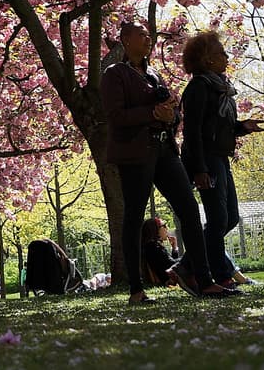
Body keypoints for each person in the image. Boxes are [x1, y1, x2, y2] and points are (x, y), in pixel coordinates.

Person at [101, 21, 236, 304]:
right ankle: (136, 289)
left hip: (165, 150)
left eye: (149, 35)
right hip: (136, 153)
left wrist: (170, 114)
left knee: (189, 209)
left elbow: (172, 115)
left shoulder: (153, 74)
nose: (148, 38)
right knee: (135, 216)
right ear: (125, 39)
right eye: (142, 34)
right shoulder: (115, 74)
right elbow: (115, 116)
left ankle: (203, 280)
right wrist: (152, 113)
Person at [181, 30, 264, 290]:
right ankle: (221, 275)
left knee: (230, 218)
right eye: (220, 52)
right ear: (207, 59)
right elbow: (192, 131)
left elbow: (219, 127)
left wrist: (242, 127)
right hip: (207, 159)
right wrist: (200, 169)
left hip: (220, 157)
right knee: (218, 219)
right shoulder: (199, 87)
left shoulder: (219, 88)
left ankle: (185, 265)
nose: (226, 56)